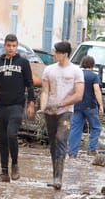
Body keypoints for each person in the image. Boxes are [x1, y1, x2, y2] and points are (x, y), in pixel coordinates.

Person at [0, 34, 36, 182]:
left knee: (12, 135)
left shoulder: (23, 62)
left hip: (17, 105)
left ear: (16, 47)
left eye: (14, 46)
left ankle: (15, 164)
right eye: (9, 46)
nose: (11, 48)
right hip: (2, 106)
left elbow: (29, 83)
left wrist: (31, 103)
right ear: (4, 46)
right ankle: (4, 172)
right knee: (3, 139)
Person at [40, 41, 84, 190]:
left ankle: (59, 177)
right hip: (49, 111)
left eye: (56, 52)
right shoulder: (49, 70)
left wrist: (60, 105)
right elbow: (45, 91)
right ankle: (55, 175)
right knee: (53, 142)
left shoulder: (76, 71)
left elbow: (79, 95)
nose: (53, 54)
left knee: (61, 138)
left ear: (64, 54)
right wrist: (43, 106)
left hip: (66, 111)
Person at [68, 55, 103, 157]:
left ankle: (72, 153)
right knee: (96, 127)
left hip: (77, 106)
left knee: (75, 129)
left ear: (82, 64)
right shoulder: (94, 76)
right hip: (90, 106)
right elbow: (97, 91)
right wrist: (101, 105)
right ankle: (91, 150)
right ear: (93, 65)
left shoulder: (77, 75)